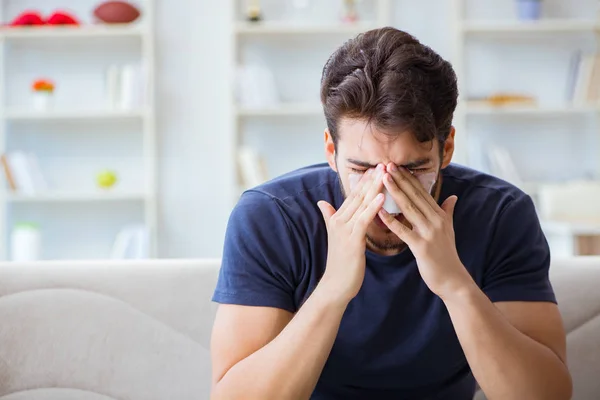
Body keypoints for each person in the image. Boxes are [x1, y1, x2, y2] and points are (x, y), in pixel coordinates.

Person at [209, 27, 572, 400]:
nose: (385, 197)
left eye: (412, 171)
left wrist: (454, 284)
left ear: (446, 148)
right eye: (362, 169)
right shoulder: (271, 218)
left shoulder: (501, 215)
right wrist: (332, 290)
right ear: (331, 150)